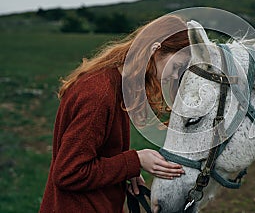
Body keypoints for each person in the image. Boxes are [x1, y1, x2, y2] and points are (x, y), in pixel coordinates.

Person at [40, 15, 190, 212]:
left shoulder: (116, 84)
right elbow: (69, 172)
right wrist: (135, 160)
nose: (173, 76)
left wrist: (125, 171)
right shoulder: (99, 94)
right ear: (155, 51)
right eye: (176, 66)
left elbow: (96, 153)